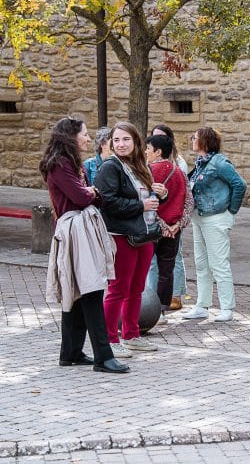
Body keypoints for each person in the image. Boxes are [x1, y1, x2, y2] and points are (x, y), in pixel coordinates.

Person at [40, 117, 129, 374]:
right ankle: (103, 356)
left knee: (79, 291)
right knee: (91, 290)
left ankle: (71, 352)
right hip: (75, 229)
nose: (88, 139)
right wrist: (94, 192)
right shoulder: (60, 163)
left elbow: (82, 193)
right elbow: (80, 196)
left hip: (77, 227)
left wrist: (90, 192)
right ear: (71, 137)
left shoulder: (65, 162)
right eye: (85, 134)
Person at [95, 122, 168, 358]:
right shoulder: (110, 167)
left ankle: (132, 335)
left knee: (137, 288)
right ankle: (109, 340)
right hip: (121, 235)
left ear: (136, 142)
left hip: (144, 234)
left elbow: (149, 202)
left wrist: (160, 196)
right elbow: (107, 202)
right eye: (116, 140)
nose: (121, 144)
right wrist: (141, 205)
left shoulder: (140, 166)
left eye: (126, 139)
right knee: (118, 289)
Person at [182, 126, 247, 322]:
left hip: (216, 217)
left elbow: (240, 184)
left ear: (205, 141)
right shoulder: (200, 163)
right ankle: (202, 305)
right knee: (202, 264)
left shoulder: (219, 162)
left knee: (219, 263)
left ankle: (227, 307)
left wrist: (231, 211)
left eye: (195, 137)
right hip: (199, 217)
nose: (192, 139)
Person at [144, 134, 191, 324]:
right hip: (174, 229)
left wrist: (162, 225)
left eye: (148, 148)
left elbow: (146, 201)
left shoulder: (148, 171)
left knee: (145, 267)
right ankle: (162, 310)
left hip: (154, 227)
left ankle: (144, 308)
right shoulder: (179, 172)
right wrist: (177, 225)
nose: (146, 152)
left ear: (158, 151)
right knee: (166, 270)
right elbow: (188, 200)